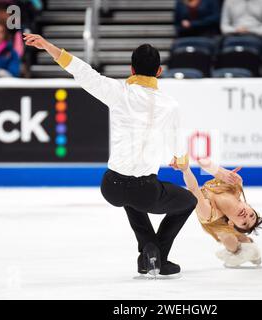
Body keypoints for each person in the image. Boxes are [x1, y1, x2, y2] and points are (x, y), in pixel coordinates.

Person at [24, 33, 198, 277]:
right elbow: (178, 148)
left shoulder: (118, 92)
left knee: (131, 197)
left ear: (131, 68)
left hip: (111, 186)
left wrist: (47, 46)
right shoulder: (169, 105)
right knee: (188, 201)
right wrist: (180, 161)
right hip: (145, 189)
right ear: (159, 71)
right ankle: (160, 253)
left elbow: (82, 72)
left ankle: (147, 250)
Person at [171, 155, 262, 267]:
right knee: (236, 236)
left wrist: (185, 169)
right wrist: (220, 171)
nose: (246, 217)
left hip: (213, 222)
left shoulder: (208, 212)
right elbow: (207, 166)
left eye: (244, 222)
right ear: (248, 205)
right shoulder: (236, 185)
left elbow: (194, 189)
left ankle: (237, 252)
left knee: (228, 239)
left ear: (231, 223)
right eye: (251, 215)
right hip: (224, 220)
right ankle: (249, 245)